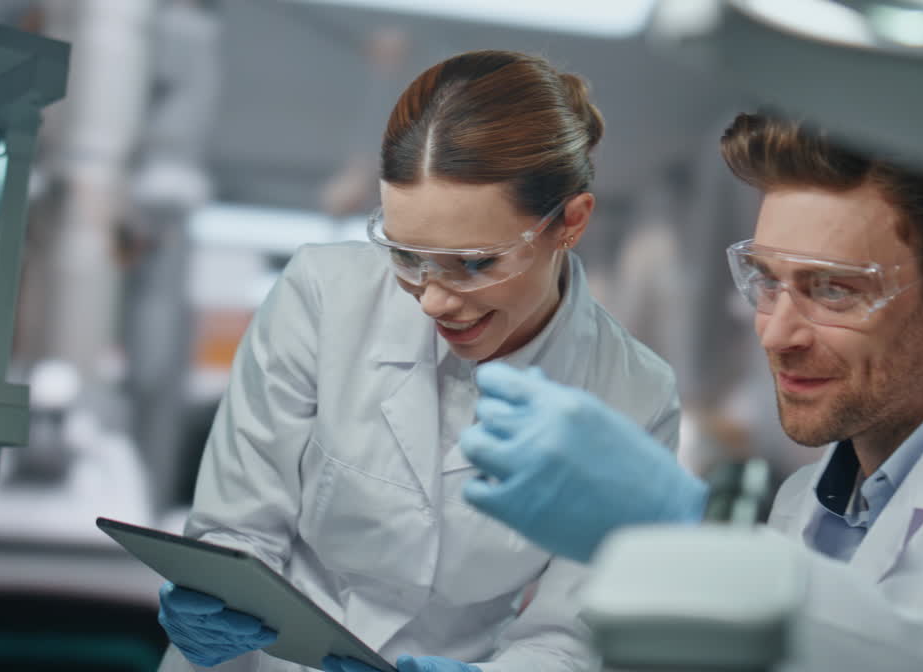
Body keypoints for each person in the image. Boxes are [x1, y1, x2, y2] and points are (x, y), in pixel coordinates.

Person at [456, 111, 923, 670]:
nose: (776, 333)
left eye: (831, 290)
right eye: (766, 281)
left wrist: (699, 546)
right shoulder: (805, 505)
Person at [155, 50, 681, 672]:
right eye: (407, 255)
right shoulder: (322, 295)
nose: (432, 298)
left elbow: (570, 632)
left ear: (570, 222)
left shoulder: (634, 397)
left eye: (476, 263)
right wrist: (214, 594)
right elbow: (240, 531)